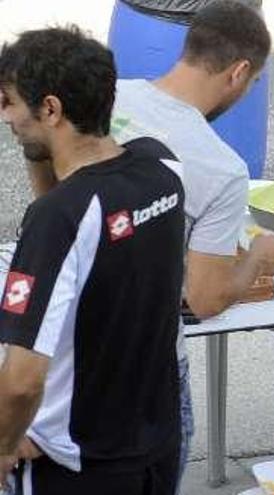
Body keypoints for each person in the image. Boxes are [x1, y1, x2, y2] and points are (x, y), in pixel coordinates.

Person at [110, 0, 274, 486]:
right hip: (148, 369)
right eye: (252, 83)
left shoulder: (107, 98)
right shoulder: (219, 168)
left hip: (71, 349)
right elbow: (205, 298)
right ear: (239, 73)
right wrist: (257, 258)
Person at [0, 26, 186, 495]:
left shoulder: (58, 220)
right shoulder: (162, 169)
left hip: (78, 469)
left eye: (8, 102)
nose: (4, 115)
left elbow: (22, 383)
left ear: (50, 109)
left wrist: (3, 446)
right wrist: (39, 145)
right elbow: (77, 200)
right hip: (155, 446)